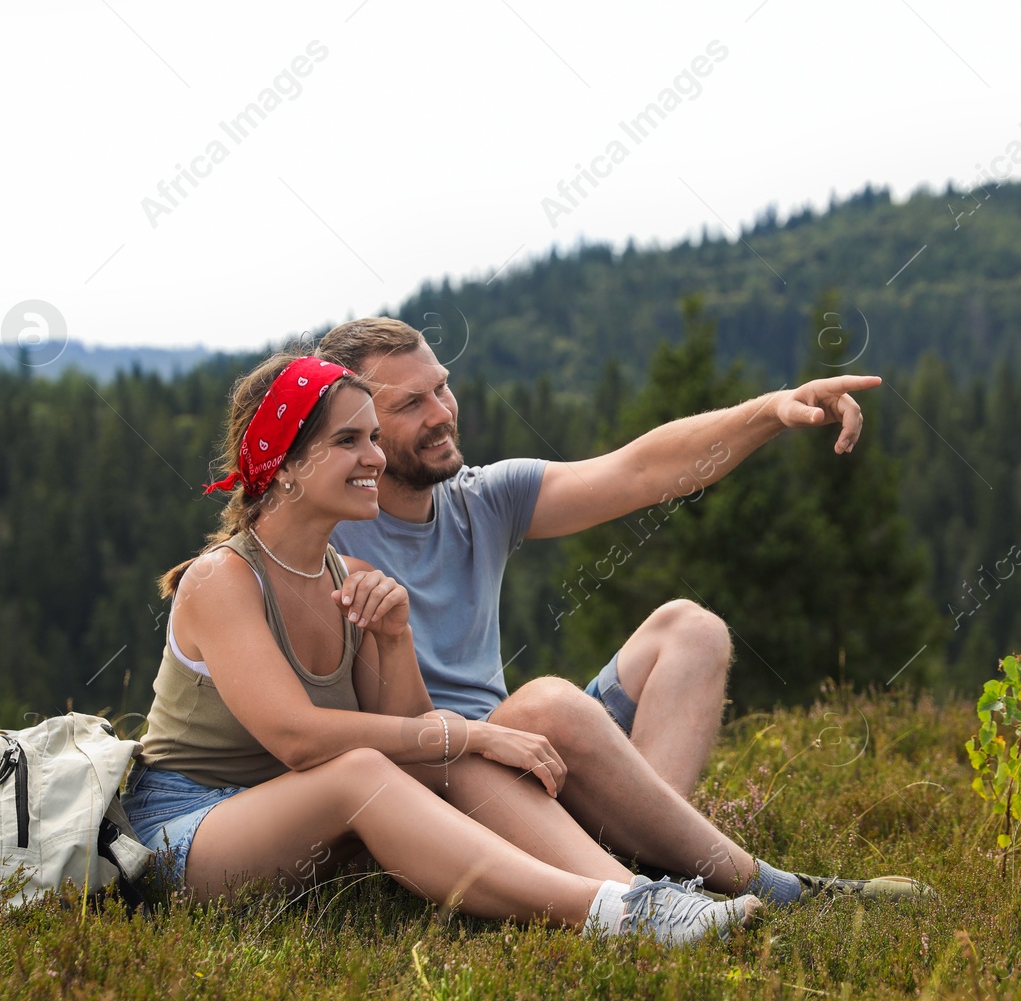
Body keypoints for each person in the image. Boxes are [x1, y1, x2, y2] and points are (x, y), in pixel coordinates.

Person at [126, 350, 763, 945]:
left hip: (295, 822)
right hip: (187, 830)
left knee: (406, 763)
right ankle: (618, 913)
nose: (374, 457)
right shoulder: (222, 581)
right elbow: (298, 739)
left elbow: (420, 751)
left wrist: (396, 638)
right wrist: (475, 735)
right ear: (285, 465)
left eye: (373, 436)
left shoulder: (346, 576)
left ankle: (643, 891)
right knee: (369, 771)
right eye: (348, 441)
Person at [321, 318, 932, 904]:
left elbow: (642, 469)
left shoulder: (481, 499)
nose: (442, 413)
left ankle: (656, 868)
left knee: (691, 629)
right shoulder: (325, 539)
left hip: (531, 762)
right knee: (548, 706)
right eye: (410, 405)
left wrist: (773, 409)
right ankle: (765, 886)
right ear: (356, 431)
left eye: (443, 386)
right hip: (446, 783)